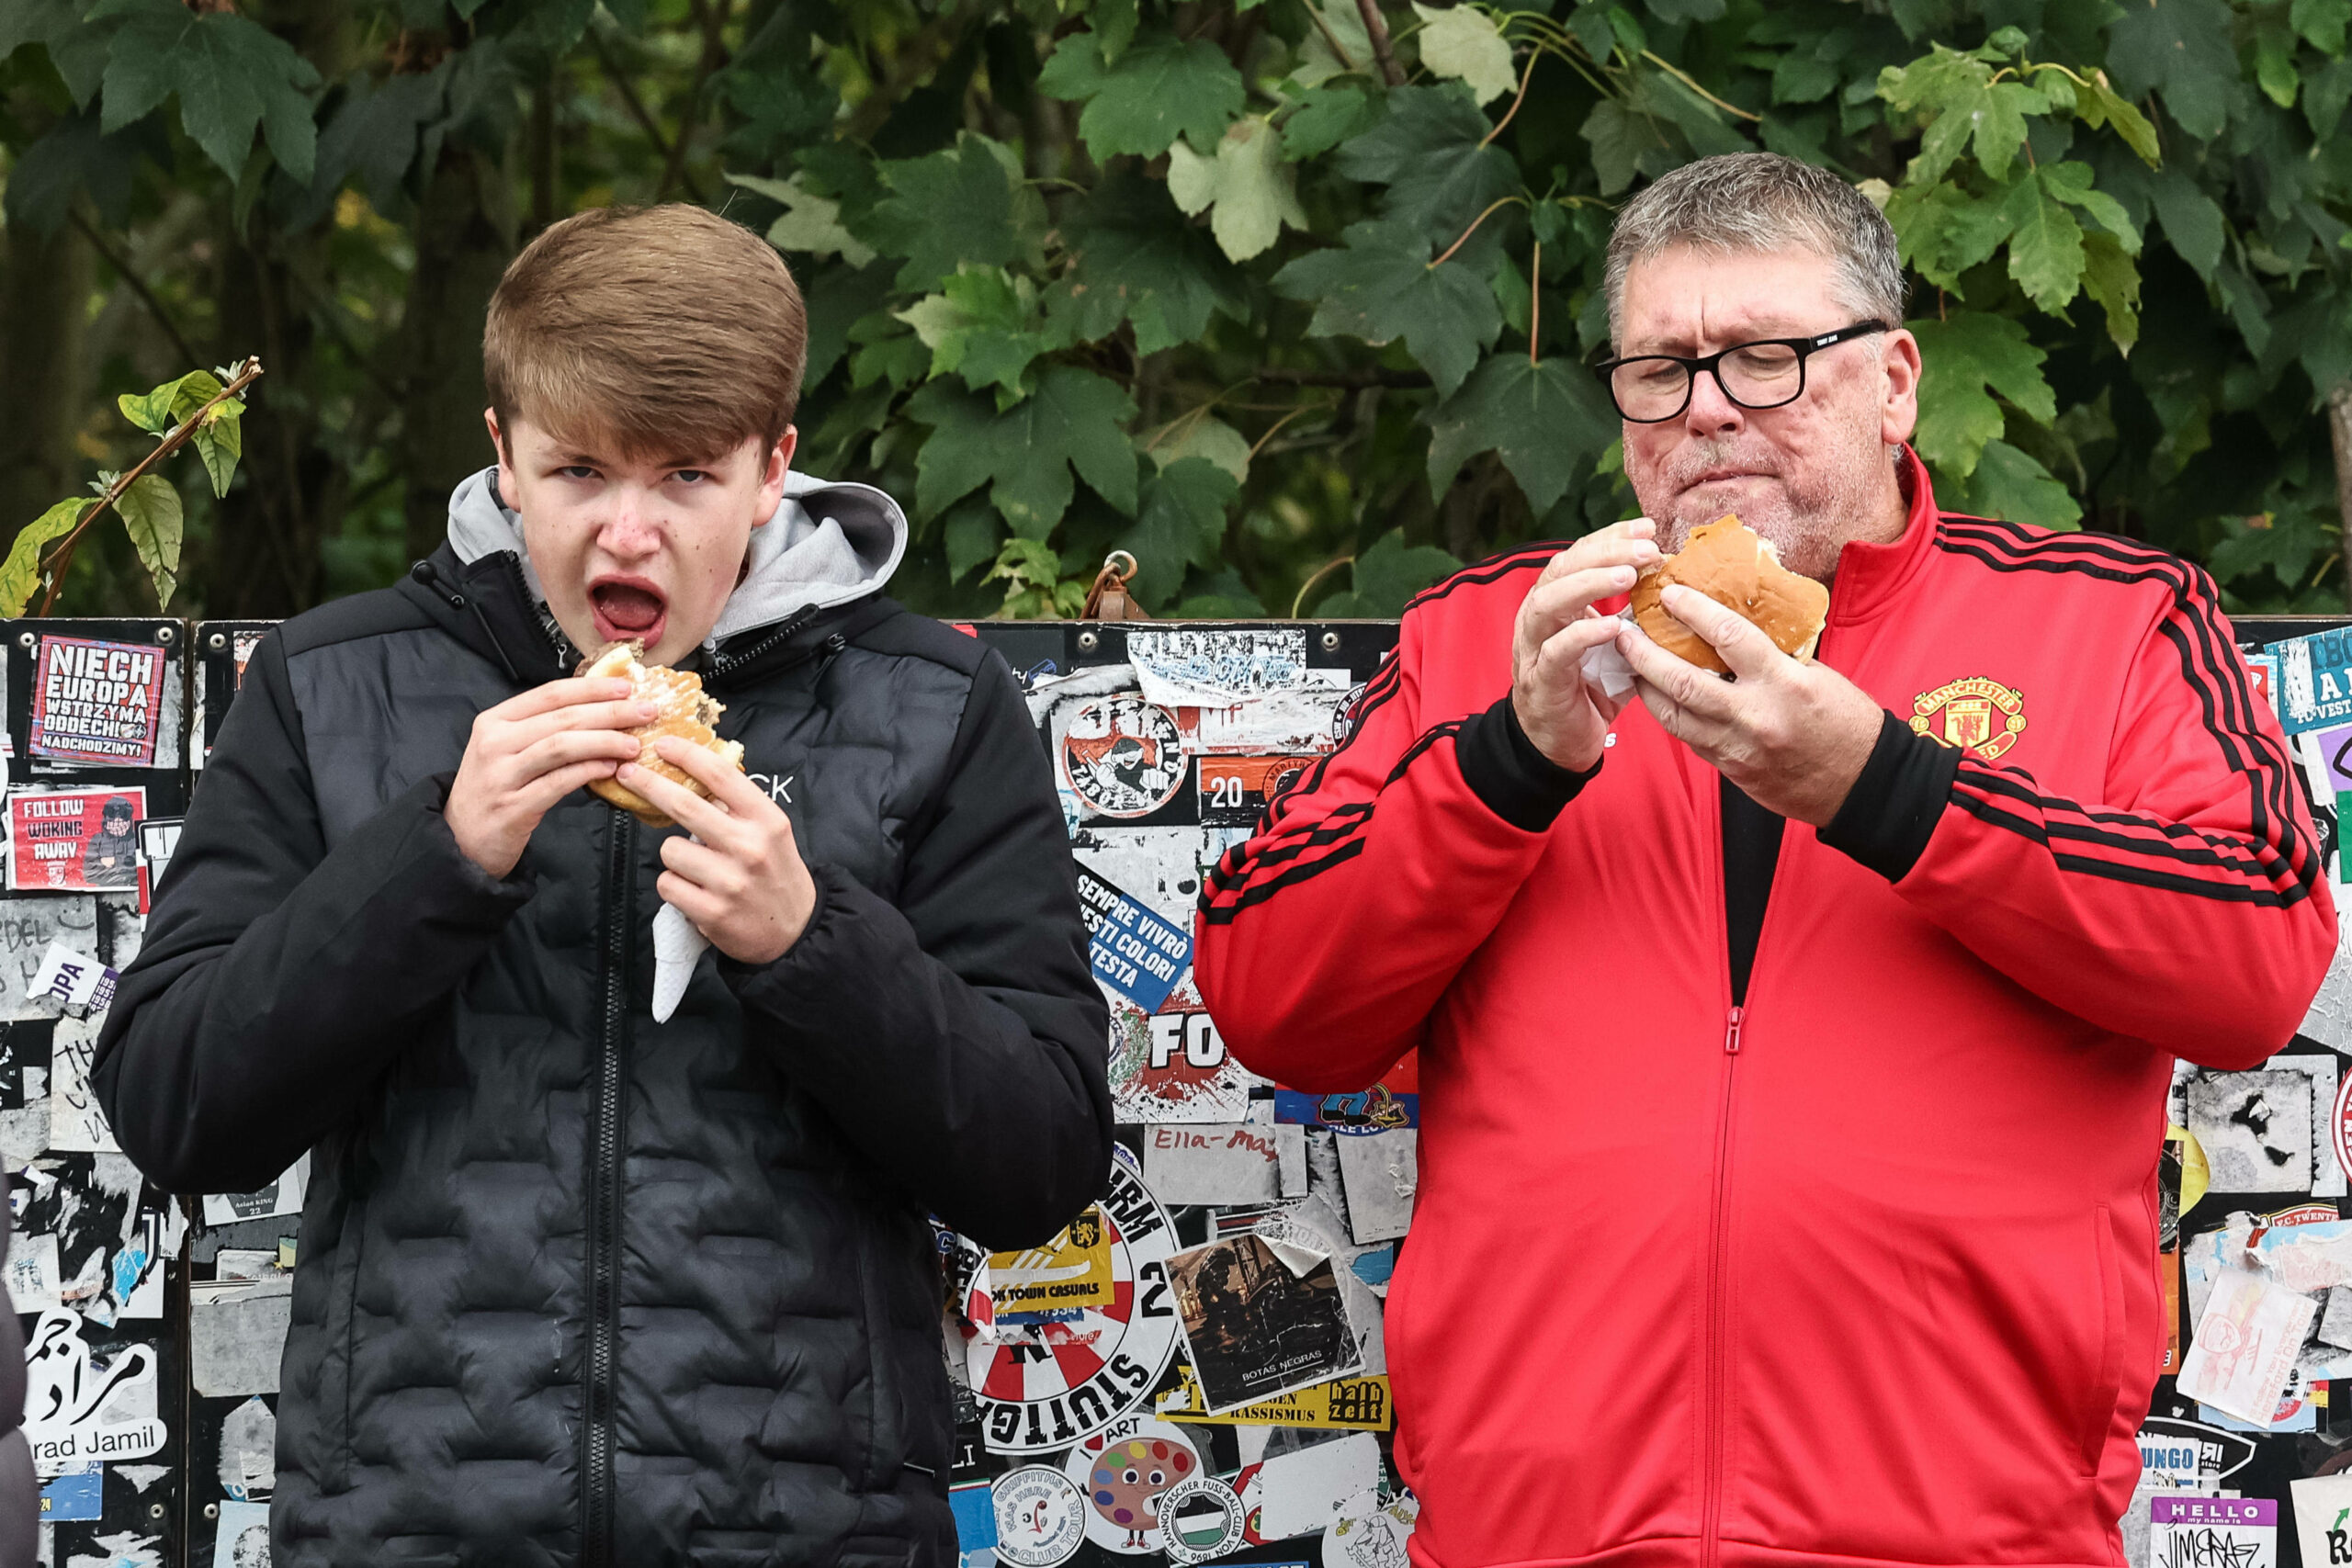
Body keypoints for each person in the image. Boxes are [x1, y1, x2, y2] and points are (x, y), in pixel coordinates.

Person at [1196, 152, 2338, 1568]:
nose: (1711, 407)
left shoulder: (2109, 623)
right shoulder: (1488, 638)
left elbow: (2263, 955)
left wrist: (1891, 791)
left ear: (1896, 382)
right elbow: (1268, 1001)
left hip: (1970, 1535)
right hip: (1539, 1536)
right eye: (1661, 369)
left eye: (1770, 358)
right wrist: (1510, 763)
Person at [90, 204, 1112, 1567]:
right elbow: (175, 1105)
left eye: (686, 476)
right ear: (503, 456)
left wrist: (810, 943)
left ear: (773, 470)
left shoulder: (934, 705)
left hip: (814, 1530)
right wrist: (433, 860)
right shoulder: (332, 686)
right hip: (410, 1527)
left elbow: (1039, 1161)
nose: (629, 534)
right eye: (580, 470)